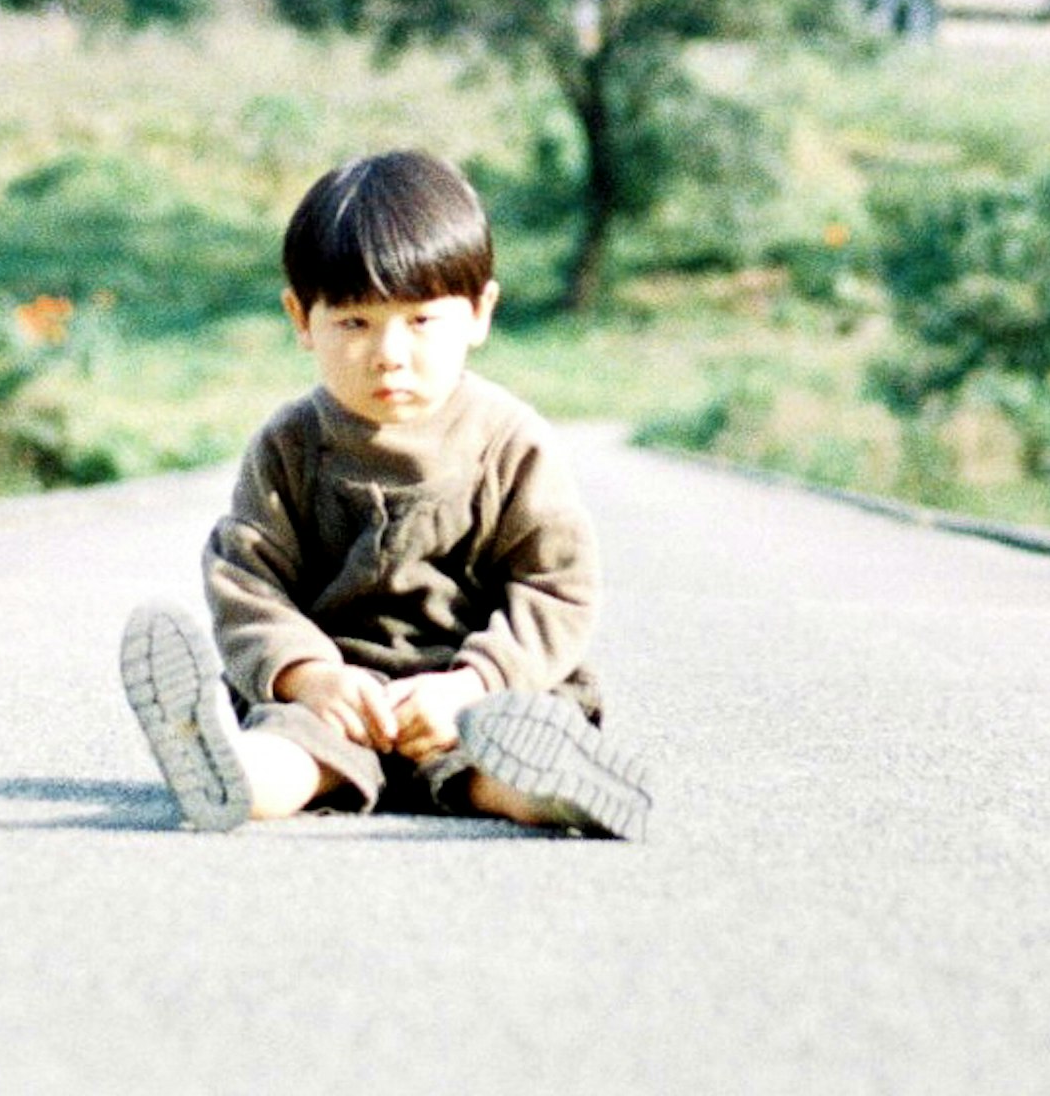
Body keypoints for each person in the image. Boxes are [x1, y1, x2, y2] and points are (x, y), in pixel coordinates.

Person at [119, 149, 652, 839]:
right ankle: (228, 774)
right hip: (341, 705)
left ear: (480, 312)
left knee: (498, 763)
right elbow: (248, 581)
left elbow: (555, 589)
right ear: (300, 318)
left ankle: (557, 787)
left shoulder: (509, 442)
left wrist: (472, 685)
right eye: (354, 322)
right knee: (294, 755)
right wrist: (311, 677)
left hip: (481, 702)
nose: (388, 352)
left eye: (421, 320)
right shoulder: (289, 446)